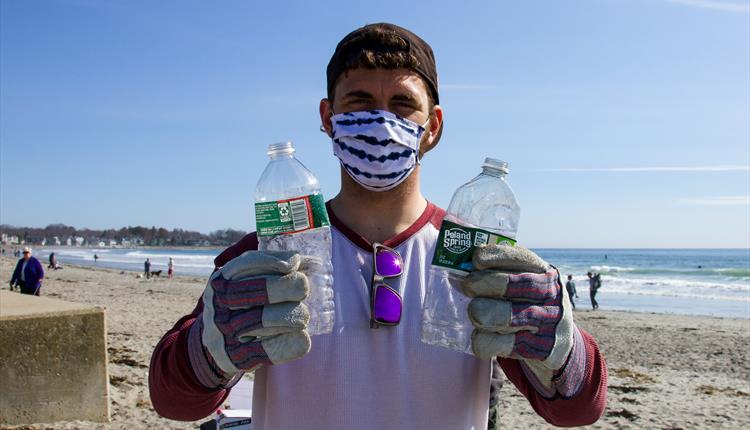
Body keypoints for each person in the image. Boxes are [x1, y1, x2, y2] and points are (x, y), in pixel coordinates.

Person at [149, 23, 608, 429]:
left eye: (403, 104)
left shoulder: (472, 254)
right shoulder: (272, 252)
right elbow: (173, 400)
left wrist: (560, 343)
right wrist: (209, 349)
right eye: (361, 100)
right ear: (329, 118)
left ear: (433, 126)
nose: (382, 121)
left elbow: (575, 409)